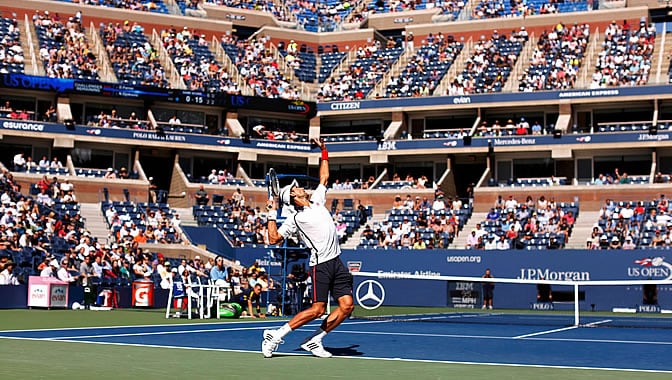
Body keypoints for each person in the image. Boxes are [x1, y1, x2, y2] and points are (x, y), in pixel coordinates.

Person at [262, 139, 354, 358]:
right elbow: (274, 239)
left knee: (347, 306)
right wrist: (270, 215)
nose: (301, 187)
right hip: (320, 265)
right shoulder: (295, 218)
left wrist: (324, 150)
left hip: (337, 262)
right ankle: (275, 336)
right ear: (293, 197)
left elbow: (324, 177)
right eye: (296, 188)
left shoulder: (318, 201)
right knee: (318, 310)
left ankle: (314, 340)